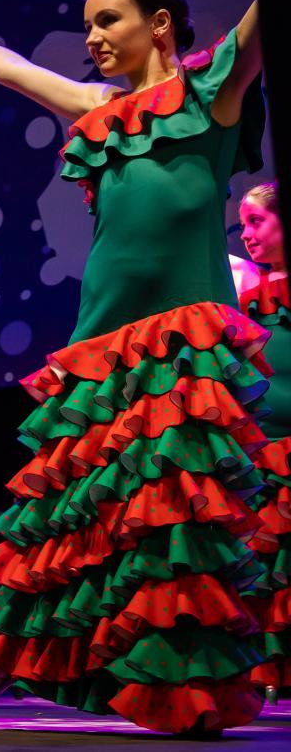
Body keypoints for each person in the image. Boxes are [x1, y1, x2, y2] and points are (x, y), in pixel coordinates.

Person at [0, 0, 268, 735]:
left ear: (160, 24)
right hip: (101, 343)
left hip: (185, 341)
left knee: (176, 529)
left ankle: (183, 692)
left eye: (108, 21)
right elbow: (13, 67)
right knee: (62, 521)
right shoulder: (99, 109)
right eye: (88, 25)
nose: (93, 37)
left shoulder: (213, 93)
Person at [234, 181, 290, 698]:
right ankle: (265, 675)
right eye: (243, 223)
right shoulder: (246, 287)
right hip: (258, 449)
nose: (246, 233)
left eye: (257, 221)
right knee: (261, 569)